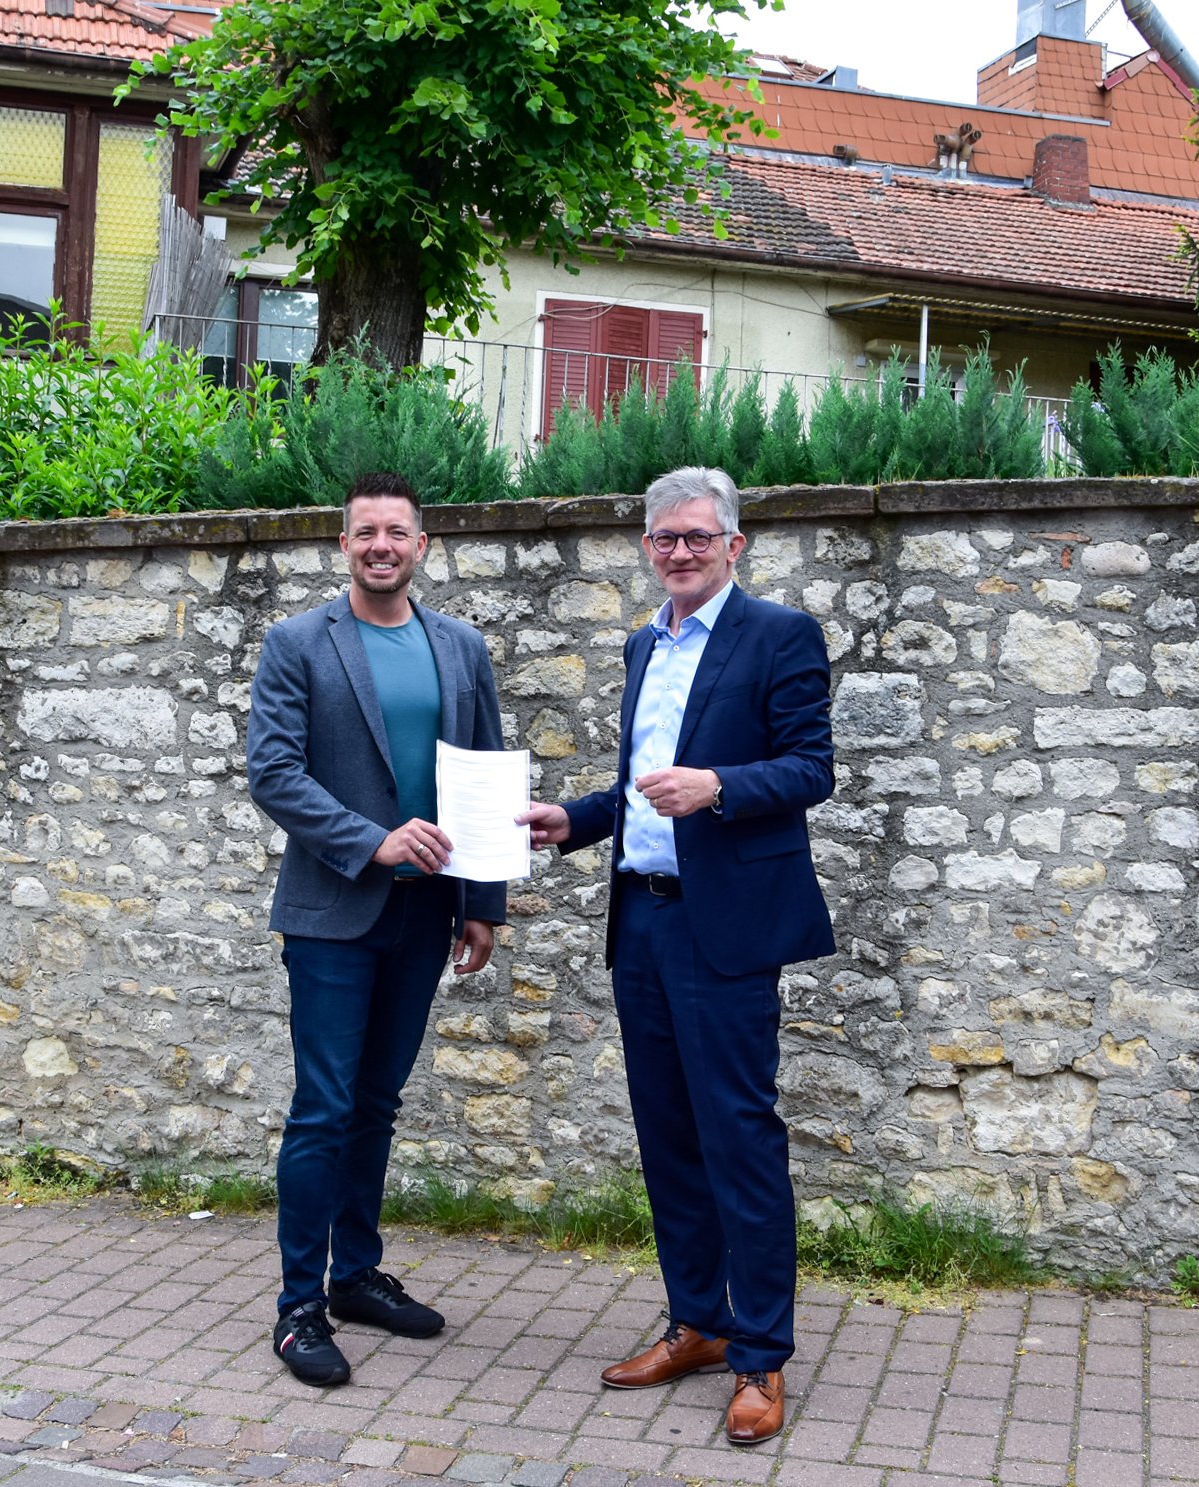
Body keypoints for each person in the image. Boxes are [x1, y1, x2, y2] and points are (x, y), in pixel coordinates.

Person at [517, 466, 835, 1446]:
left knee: (739, 1137)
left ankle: (760, 1358)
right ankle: (695, 1321)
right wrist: (569, 818)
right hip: (643, 920)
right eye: (664, 538)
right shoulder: (639, 643)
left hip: (724, 923)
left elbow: (810, 767)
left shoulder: (778, 635)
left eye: (698, 536)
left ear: (733, 544)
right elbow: (634, 788)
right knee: (666, 1135)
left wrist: (719, 785)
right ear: (646, 547)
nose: (681, 551)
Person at [245, 470, 509, 1388]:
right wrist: (375, 841)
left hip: (426, 911)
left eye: (398, 531)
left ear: (423, 545)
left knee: (379, 1104)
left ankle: (354, 1275)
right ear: (344, 544)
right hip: (332, 912)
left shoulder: (461, 647)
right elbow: (273, 773)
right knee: (322, 1107)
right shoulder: (296, 643)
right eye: (366, 532)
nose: (382, 545)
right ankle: (297, 1308)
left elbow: (481, 776)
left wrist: (482, 902)